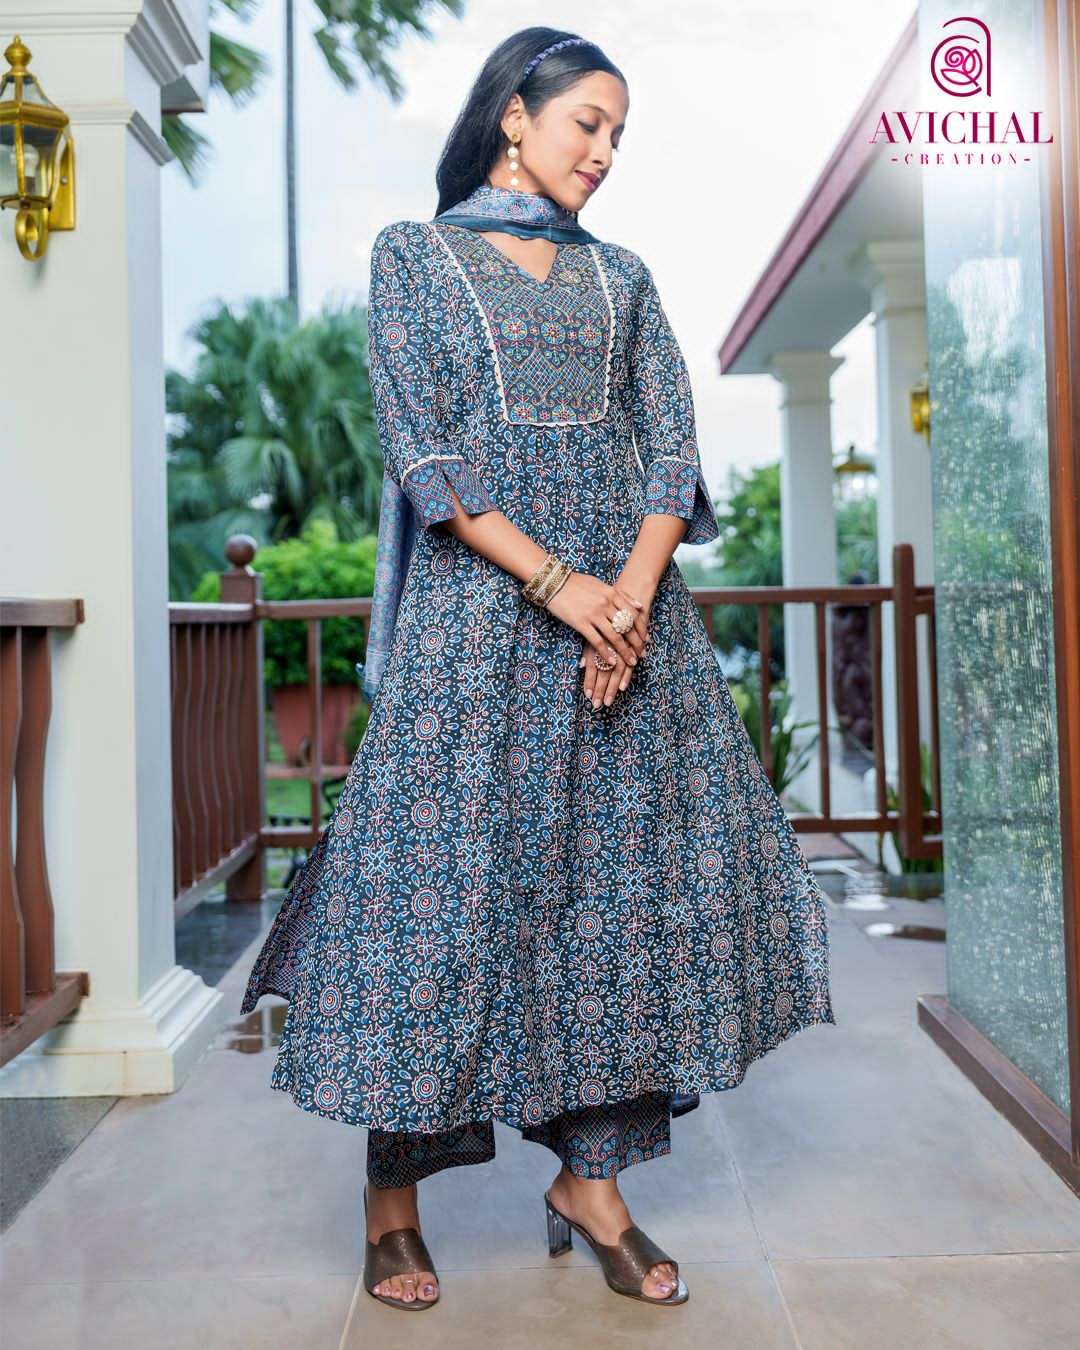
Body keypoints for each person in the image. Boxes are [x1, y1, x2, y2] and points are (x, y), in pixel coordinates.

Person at [241, 26, 837, 1313]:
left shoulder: (623, 279)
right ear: (516, 115)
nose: (605, 153)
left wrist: (626, 600)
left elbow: (671, 452)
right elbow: (425, 454)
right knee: (439, 904)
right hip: (478, 627)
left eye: (620, 135)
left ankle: (592, 1185)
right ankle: (392, 1200)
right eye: (588, 124)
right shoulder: (415, 257)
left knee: (615, 900)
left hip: (627, 634)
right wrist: (562, 587)